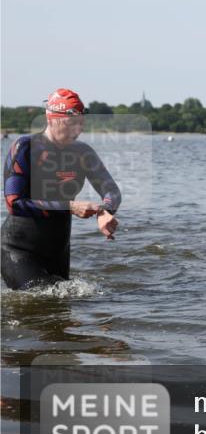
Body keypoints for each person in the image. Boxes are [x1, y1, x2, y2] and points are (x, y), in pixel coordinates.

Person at [2, 89, 120, 289]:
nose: (78, 130)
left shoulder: (83, 152)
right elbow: (14, 203)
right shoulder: (25, 147)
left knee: (61, 310)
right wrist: (70, 206)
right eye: (72, 123)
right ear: (52, 119)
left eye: (81, 123)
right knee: (42, 300)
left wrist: (104, 211)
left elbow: (112, 191)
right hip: (18, 249)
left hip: (58, 252)